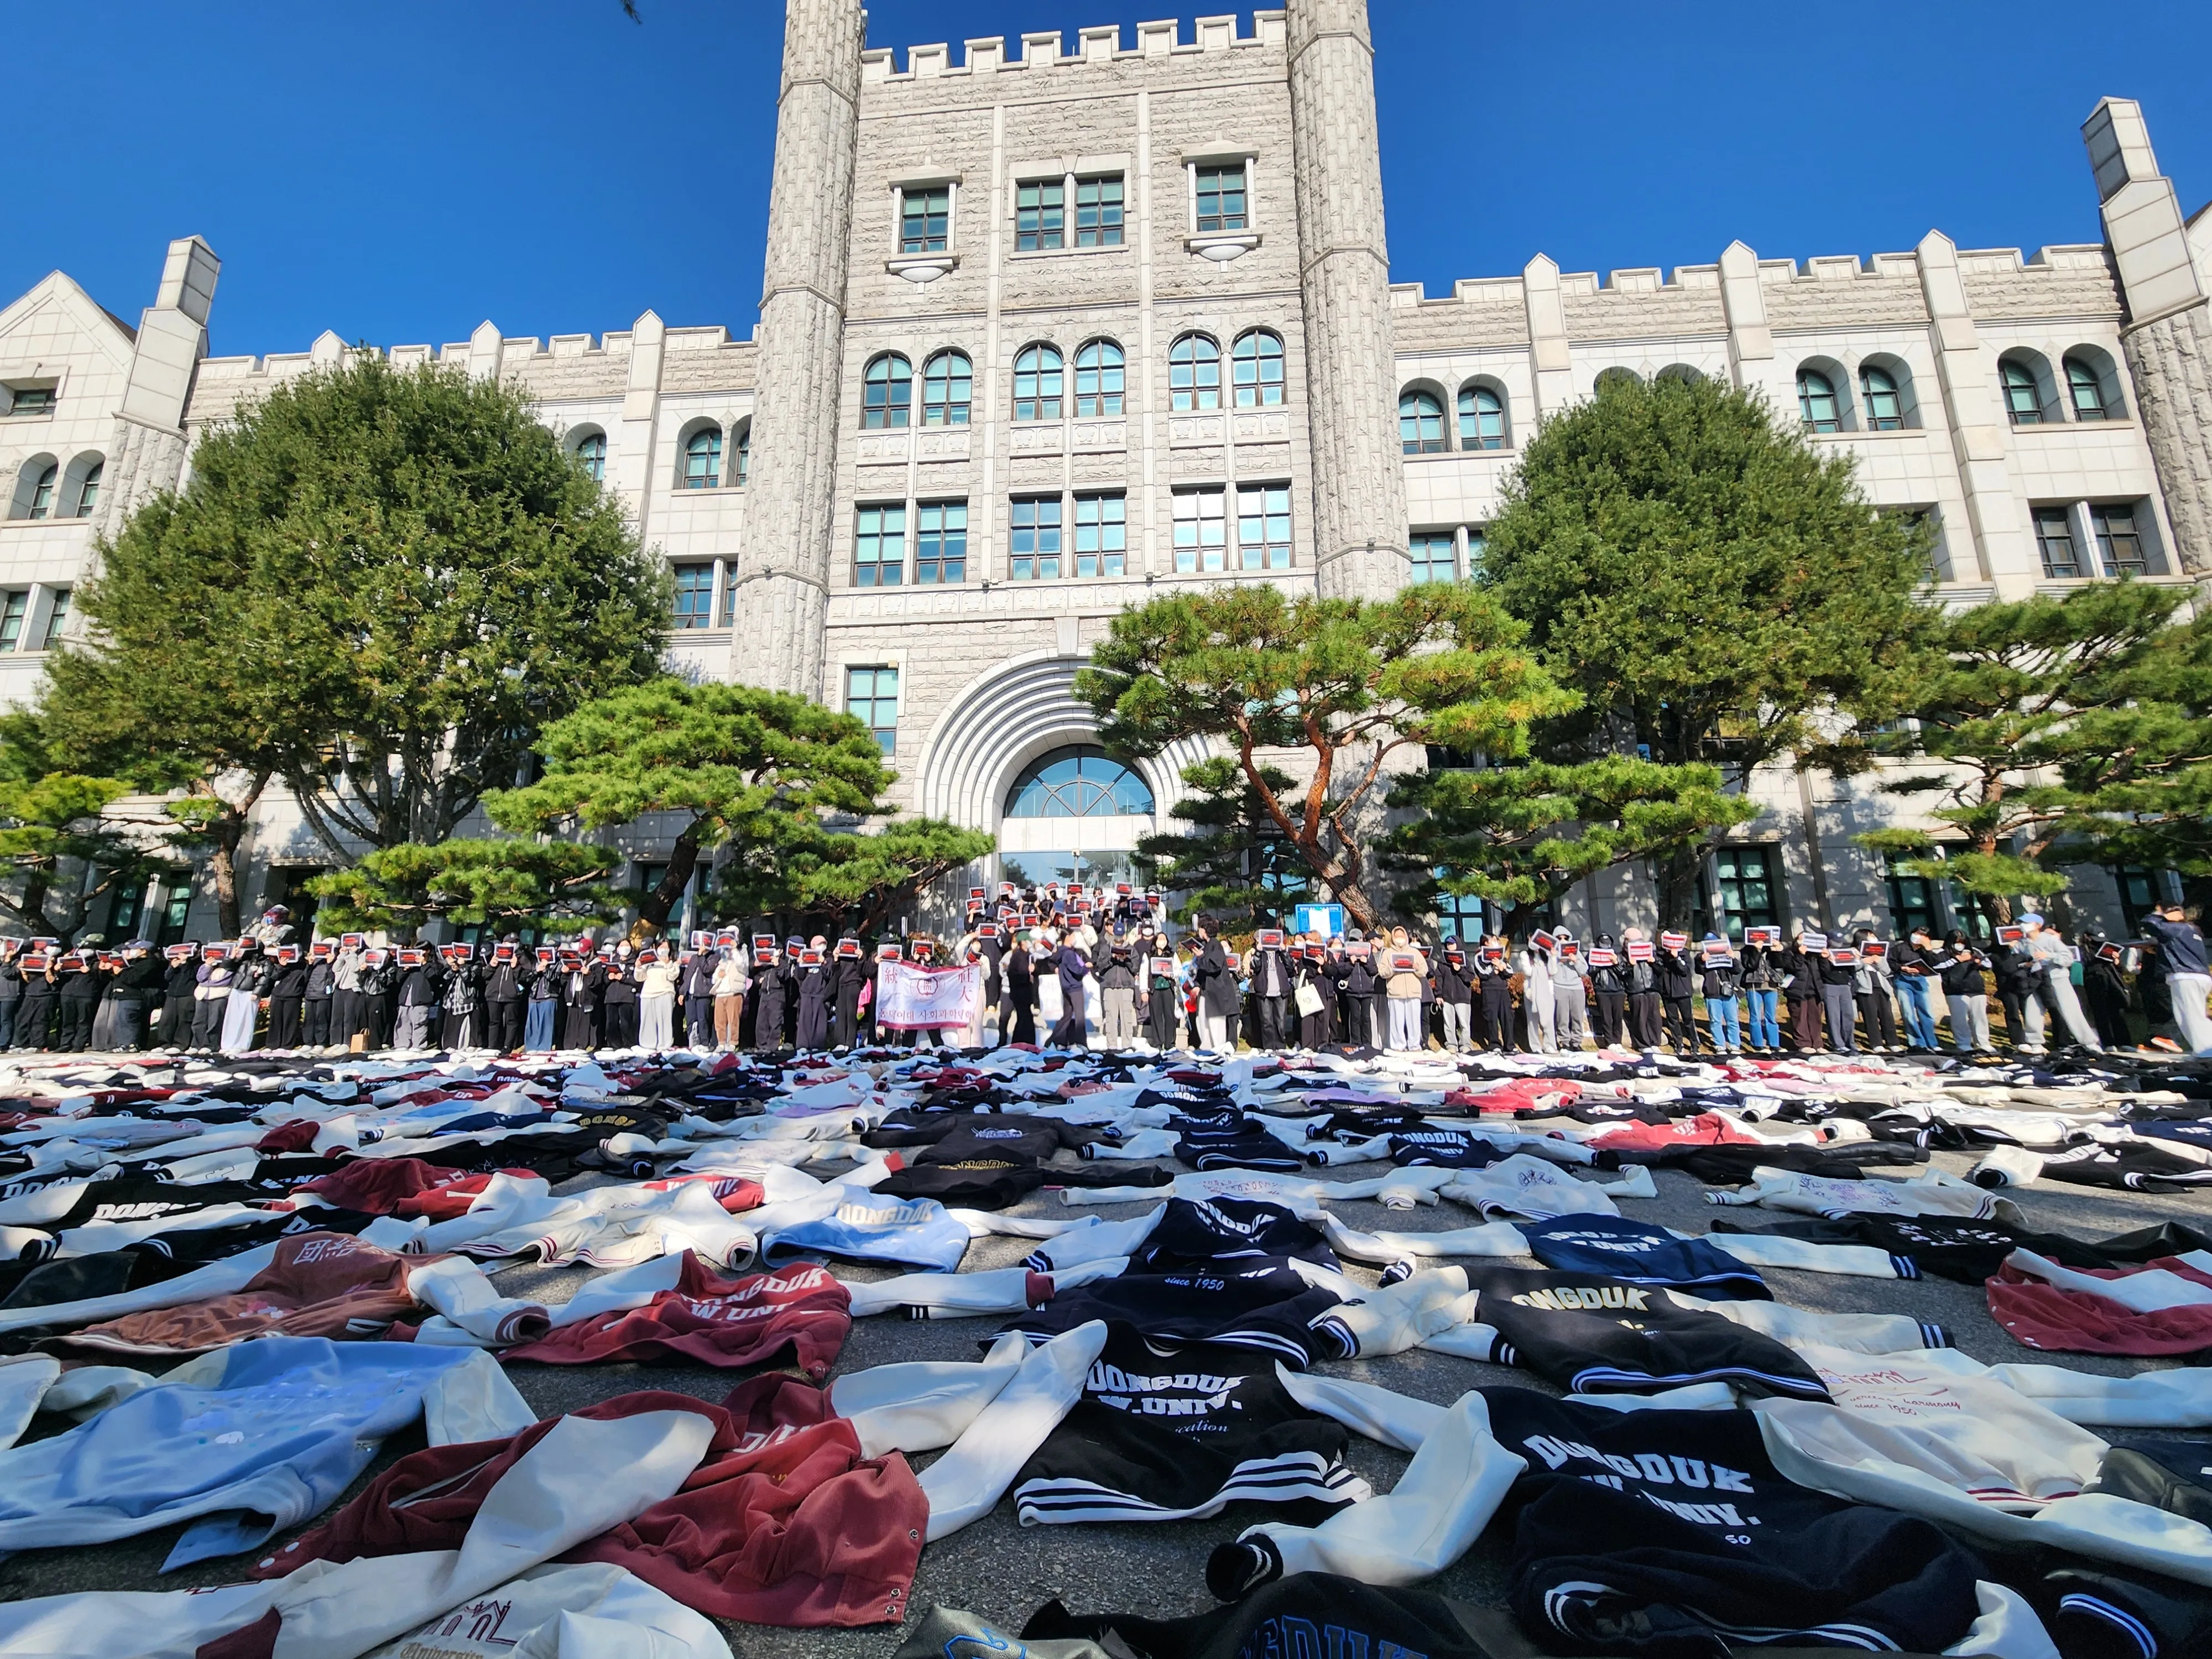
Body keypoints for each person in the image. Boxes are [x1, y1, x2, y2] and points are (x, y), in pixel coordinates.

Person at [2023, 914, 2101, 1052]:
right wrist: (2026, 964)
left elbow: (2068, 958)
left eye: (2026, 922)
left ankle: (2089, 1042)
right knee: (2032, 1009)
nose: (2023, 925)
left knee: (2070, 1009)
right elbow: (2017, 962)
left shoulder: (2050, 940)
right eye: (2021, 922)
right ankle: (2035, 1043)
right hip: (2035, 981)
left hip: (2057, 979)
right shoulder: (2022, 943)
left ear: (2037, 925)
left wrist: (2049, 956)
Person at [2142, 902, 2212, 1055]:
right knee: (2195, 1015)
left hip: (2185, 976)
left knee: (2189, 1018)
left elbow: (2149, 923)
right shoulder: (2193, 930)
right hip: (2200, 976)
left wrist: (2159, 915)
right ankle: (2205, 1051)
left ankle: (2207, 1052)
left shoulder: (2175, 929)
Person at [1936, 930, 1994, 1054]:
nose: (1960, 945)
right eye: (1957, 942)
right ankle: (1963, 1043)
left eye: (1962, 942)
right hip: (1955, 991)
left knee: (1980, 1018)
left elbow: (1988, 964)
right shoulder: (1942, 953)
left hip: (1976, 989)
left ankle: (1983, 1043)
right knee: (1959, 1019)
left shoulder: (1974, 951)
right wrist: (1958, 959)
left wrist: (1979, 962)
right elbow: (1937, 967)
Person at [1989, 927, 2041, 1053]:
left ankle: (2034, 1040)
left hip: (2023, 987)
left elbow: (2030, 962)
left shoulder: (2021, 953)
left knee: (2029, 1013)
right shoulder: (1996, 956)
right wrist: (2008, 949)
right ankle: (2019, 1041)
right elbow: (2007, 967)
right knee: (2013, 1013)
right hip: (2007, 988)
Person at [1889, 927, 1941, 1052]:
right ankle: (1917, 1043)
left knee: (1927, 1013)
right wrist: (1902, 968)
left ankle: (1932, 1043)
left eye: (1922, 936)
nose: (1918, 937)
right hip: (1903, 981)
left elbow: (1935, 963)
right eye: (1916, 934)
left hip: (1920, 980)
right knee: (1908, 1014)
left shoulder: (1925, 950)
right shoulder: (1899, 948)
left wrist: (1928, 948)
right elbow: (1890, 962)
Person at [2080, 932, 2133, 1050]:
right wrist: (2097, 960)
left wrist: (2117, 961)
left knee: (2117, 1012)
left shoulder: (2107, 947)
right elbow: (2085, 966)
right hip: (2094, 982)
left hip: (2111, 982)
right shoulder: (2083, 950)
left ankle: (2124, 1043)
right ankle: (2108, 1043)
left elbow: (2121, 970)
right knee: (2101, 1013)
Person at [1192, 917, 1237, 1052]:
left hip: (1217, 994)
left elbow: (1214, 966)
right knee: (1204, 1023)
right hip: (1207, 992)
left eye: (1200, 928)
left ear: (1204, 930)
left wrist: (1201, 957)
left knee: (1216, 1026)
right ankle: (1208, 1051)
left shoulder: (1215, 944)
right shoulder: (1207, 945)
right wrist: (1197, 984)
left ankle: (1219, 1052)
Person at [1381, 927, 1428, 1052]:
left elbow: (1424, 971)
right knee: (1397, 1021)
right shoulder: (1387, 953)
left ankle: (1414, 1045)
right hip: (1395, 993)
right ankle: (1398, 1045)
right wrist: (1391, 969)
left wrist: (1417, 968)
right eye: (1397, 936)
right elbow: (1382, 972)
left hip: (1413, 992)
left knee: (1414, 1021)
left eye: (1402, 936)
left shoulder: (1415, 952)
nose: (1400, 939)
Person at [1852, 930, 1898, 1053]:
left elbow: (1887, 971)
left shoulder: (1880, 953)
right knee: (1871, 1016)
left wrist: (1879, 962)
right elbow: (1851, 968)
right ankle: (1876, 1043)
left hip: (1881, 987)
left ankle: (1893, 1043)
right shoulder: (1854, 952)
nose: (1874, 938)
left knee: (1887, 1016)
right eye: (1871, 936)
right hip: (1866, 988)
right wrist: (1863, 962)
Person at [1248, 931, 1292, 1051]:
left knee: (1281, 1020)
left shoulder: (1280, 953)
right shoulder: (1260, 953)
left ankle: (1280, 1045)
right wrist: (1258, 951)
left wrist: (1284, 951)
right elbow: (1254, 967)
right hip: (1264, 990)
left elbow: (1291, 967)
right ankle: (1268, 1046)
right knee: (1266, 1020)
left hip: (1280, 990)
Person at [392, 948, 444, 1051]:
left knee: (419, 1023)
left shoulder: (434, 965)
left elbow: (434, 977)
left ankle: (418, 1045)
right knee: (403, 1022)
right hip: (405, 999)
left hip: (421, 999)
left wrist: (424, 964)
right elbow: (398, 980)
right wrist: (405, 969)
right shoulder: (411, 968)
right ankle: (402, 1044)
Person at [1655, 932, 1698, 1055]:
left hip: (1683, 991)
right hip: (1668, 992)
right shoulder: (1660, 954)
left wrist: (1676, 958)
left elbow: (1684, 971)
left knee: (1688, 1019)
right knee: (1672, 1020)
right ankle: (1679, 1044)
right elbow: (1660, 972)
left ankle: (1694, 1044)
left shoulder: (1685, 953)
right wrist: (1654, 962)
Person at [1698, 936, 1742, 1056]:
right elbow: (1699, 970)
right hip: (1712, 993)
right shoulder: (1701, 956)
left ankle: (1735, 1045)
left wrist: (1733, 958)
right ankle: (1720, 1045)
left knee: (1732, 1020)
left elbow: (1737, 970)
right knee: (1715, 1021)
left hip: (1728, 992)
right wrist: (1702, 961)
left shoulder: (1727, 954)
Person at [1738, 933, 1781, 1055]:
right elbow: (1750, 965)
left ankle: (1774, 1044)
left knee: (1771, 1016)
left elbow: (1778, 965)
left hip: (1771, 985)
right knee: (1755, 1016)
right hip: (1753, 984)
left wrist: (1777, 951)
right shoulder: (1746, 950)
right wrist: (1757, 950)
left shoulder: (1770, 950)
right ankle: (1758, 1044)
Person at [484, 939, 529, 1054]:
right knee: (494, 1021)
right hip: (494, 994)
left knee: (511, 1021)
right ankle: (492, 1046)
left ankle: (508, 1046)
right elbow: (485, 976)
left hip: (511, 995)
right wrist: (492, 965)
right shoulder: (497, 957)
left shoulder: (521, 958)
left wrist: (516, 967)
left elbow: (525, 978)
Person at [1779, 933, 1822, 1053]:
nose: (1803, 941)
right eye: (1801, 938)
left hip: (1814, 990)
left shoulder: (1814, 955)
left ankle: (1818, 1044)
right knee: (1800, 1018)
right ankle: (1803, 1044)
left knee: (1815, 1018)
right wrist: (1800, 955)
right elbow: (1792, 968)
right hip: (1797, 991)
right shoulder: (1789, 953)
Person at [1098, 930, 1139, 1049]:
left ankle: (1127, 1046)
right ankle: (1112, 1046)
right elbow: (1100, 967)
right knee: (1111, 1018)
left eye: (1121, 935)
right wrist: (1111, 958)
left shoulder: (1131, 949)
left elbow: (1136, 968)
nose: (1119, 937)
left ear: (1124, 935)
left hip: (1126, 987)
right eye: (1117, 935)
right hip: (1110, 987)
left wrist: (1126, 959)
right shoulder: (1106, 948)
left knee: (1127, 1018)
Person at [1623, 930, 1663, 1051]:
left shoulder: (1651, 953)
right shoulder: (1622, 956)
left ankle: (1655, 1043)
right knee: (1640, 1018)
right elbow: (1622, 975)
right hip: (1636, 990)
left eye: (1640, 941)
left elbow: (1661, 972)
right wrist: (1630, 965)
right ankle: (1643, 1045)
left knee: (1654, 1017)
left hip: (1652, 988)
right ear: (1627, 942)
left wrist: (1654, 963)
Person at [1051, 928, 1092, 1049]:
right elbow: (1077, 970)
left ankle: (1057, 1040)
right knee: (1079, 1017)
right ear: (1068, 937)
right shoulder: (1069, 953)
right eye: (1074, 936)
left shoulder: (1061, 952)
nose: (1075, 939)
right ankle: (1081, 1044)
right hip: (1075, 987)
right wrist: (1086, 967)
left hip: (1066, 987)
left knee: (1067, 1016)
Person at [55, 950, 103, 1052]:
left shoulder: (97, 962)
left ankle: (79, 1044)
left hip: (86, 994)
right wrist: (58, 970)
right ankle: (65, 1044)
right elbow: (62, 977)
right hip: (68, 993)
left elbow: (102, 979)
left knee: (84, 1021)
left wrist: (91, 971)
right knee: (67, 1021)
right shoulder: (71, 960)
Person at [1517, 935, 1558, 1054]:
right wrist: (1543, 971)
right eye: (1531, 939)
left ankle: (1549, 1045)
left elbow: (1553, 971)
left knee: (1549, 1019)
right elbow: (1528, 971)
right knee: (1532, 1020)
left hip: (1548, 991)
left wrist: (1553, 956)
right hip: (1532, 992)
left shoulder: (1546, 955)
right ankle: (1535, 1046)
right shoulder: (1525, 955)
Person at [561, 946, 606, 1050]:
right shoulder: (576, 961)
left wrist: (589, 974)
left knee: (585, 1021)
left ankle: (583, 1045)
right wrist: (566, 973)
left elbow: (598, 982)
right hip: (574, 995)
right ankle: (570, 1045)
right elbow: (564, 981)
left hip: (587, 995)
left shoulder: (597, 963)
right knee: (572, 1020)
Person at [1433, 938, 1474, 1052]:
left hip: (1462, 997)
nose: (1450, 946)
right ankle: (1451, 1044)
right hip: (1447, 998)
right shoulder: (1442, 961)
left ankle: (1465, 1044)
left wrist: (1460, 970)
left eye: (1452, 943)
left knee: (1464, 1023)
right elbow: (1439, 979)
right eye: (1448, 944)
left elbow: (1470, 977)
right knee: (1449, 1022)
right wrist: (1439, 995)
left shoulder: (1464, 959)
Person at [794, 936, 833, 1051]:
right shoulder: (807, 956)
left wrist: (823, 963)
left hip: (820, 994)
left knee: (819, 1024)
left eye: (824, 944)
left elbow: (829, 975)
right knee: (804, 1022)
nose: (822, 946)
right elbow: (800, 976)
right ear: (813, 946)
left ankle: (817, 1047)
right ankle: (803, 1046)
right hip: (806, 993)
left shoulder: (828, 959)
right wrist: (799, 964)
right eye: (820, 944)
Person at [1586, 935, 1626, 1048]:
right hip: (1602, 990)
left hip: (1618, 991)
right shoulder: (1592, 955)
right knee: (1606, 1018)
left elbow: (1624, 974)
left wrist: (1616, 963)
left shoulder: (1618, 956)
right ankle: (1609, 1042)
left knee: (1618, 1018)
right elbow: (1590, 972)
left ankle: (1618, 1041)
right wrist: (1598, 964)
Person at [265, 946, 309, 1048]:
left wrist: (309, 964)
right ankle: (272, 1045)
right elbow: (274, 977)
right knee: (275, 1021)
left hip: (293, 996)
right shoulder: (284, 964)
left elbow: (306, 979)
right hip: (278, 995)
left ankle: (287, 1046)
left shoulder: (303, 965)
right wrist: (282, 966)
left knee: (290, 1022)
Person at [638, 946, 681, 1049]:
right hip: (648, 993)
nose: (663, 949)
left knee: (665, 1021)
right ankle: (648, 1045)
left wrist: (668, 964)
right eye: (662, 946)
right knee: (647, 1021)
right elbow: (640, 977)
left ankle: (664, 1045)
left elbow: (673, 976)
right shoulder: (649, 961)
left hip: (665, 992)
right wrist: (638, 967)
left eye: (666, 947)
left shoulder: (672, 963)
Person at [1550, 938, 1589, 1052]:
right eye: (1560, 938)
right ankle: (1565, 1042)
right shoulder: (1553, 952)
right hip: (1560, 986)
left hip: (1576, 986)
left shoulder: (1576, 952)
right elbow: (1551, 971)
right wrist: (1557, 959)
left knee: (1577, 1016)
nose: (1563, 940)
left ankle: (1576, 1043)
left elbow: (1584, 971)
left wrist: (1575, 960)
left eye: (1566, 938)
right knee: (1562, 1017)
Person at [600, 943, 641, 1049]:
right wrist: (609, 977)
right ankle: (613, 1046)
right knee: (611, 1024)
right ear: (617, 948)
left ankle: (629, 1045)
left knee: (626, 1023)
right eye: (622, 946)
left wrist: (623, 978)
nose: (624, 948)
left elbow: (637, 981)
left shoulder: (634, 962)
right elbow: (604, 980)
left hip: (627, 997)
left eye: (627, 945)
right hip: (611, 997)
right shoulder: (612, 961)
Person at [681, 942, 719, 1051]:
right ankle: (692, 1043)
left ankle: (704, 1043)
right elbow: (687, 975)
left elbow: (706, 969)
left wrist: (701, 956)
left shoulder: (715, 957)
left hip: (703, 993)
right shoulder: (694, 957)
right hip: (690, 993)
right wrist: (683, 992)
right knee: (690, 1020)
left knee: (703, 1020)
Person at [524, 951, 560, 1051]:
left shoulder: (558, 963)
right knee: (532, 1025)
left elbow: (555, 979)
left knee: (546, 1026)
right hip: (534, 996)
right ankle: (530, 1048)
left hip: (549, 996)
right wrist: (537, 971)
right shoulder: (536, 962)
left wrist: (546, 969)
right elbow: (528, 979)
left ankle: (544, 1048)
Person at [833, 938, 867, 1048]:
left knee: (852, 1016)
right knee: (841, 1014)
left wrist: (861, 958)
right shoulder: (839, 951)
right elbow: (834, 970)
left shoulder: (860, 951)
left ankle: (850, 1044)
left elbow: (863, 971)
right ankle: (840, 1043)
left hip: (854, 985)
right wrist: (836, 959)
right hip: (841, 985)